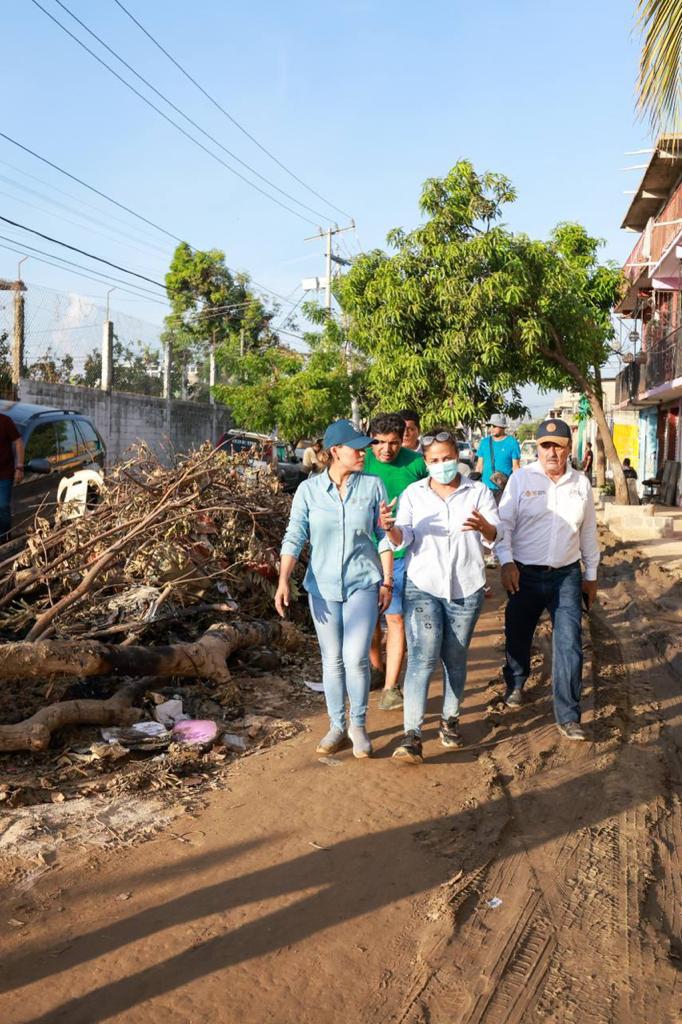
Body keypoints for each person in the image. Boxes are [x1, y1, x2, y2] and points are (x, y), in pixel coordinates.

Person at [378, 428, 499, 764]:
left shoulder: (478, 492)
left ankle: (449, 721)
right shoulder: (415, 494)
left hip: (466, 586)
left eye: (447, 458)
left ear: (457, 456)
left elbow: (495, 536)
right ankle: (412, 735)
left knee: (455, 657)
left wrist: (483, 527)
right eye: (434, 460)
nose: (442, 465)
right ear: (426, 462)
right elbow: (404, 538)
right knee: (422, 656)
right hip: (423, 585)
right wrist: (389, 527)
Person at [275, 419, 394, 759]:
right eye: (356, 447)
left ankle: (357, 725)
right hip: (322, 586)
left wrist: (387, 580)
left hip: (363, 582)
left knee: (355, 657)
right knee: (332, 660)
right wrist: (284, 579)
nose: (363, 452)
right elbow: (294, 535)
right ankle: (336, 726)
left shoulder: (373, 486)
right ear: (334, 452)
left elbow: (383, 535)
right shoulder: (308, 491)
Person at [495, 418, 599, 741]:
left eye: (558, 445)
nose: (552, 452)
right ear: (537, 448)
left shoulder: (581, 484)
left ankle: (568, 716)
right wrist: (506, 562)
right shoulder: (520, 479)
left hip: (566, 575)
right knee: (518, 632)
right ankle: (515, 681)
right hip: (524, 574)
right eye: (545, 445)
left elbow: (589, 534)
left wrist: (591, 576)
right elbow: (504, 527)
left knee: (569, 643)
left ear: (569, 448)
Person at [364, 413, 429, 711]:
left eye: (393, 443)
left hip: (402, 553)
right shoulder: (360, 460)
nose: (386, 450)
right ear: (370, 440)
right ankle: (377, 670)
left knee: (395, 618)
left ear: (403, 439)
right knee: (369, 621)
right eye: (379, 443)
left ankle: (391, 686)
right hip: (366, 554)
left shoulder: (416, 464)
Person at [475, 414, 520, 499]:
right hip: (486, 489)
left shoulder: (512, 442)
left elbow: (516, 467)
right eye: (490, 426)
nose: (491, 428)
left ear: (502, 427)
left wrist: (518, 487)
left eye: (495, 426)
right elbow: (479, 465)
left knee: (503, 512)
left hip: (504, 489)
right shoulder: (484, 442)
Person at [0, 412, 24, 543]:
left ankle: (4, 540)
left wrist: (19, 467)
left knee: (2, 506)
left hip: (4, 475)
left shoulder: (5, 421)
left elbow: (19, 443)